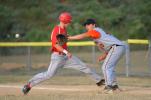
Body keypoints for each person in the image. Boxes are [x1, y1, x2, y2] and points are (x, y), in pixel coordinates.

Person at [22, 12, 104, 95]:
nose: (69, 23)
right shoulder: (57, 30)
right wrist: (66, 52)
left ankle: (99, 81)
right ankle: (29, 84)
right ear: (65, 21)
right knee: (48, 75)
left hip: (66, 57)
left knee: (84, 66)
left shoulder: (63, 29)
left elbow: (62, 40)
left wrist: (67, 38)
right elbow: (55, 44)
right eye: (69, 21)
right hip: (57, 57)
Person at [68, 18, 126, 93]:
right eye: (86, 25)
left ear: (94, 25)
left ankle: (109, 87)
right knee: (109, 67)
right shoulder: (97, 36)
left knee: (105, 67)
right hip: (119, 47)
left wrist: (70, 37)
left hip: (117, 47)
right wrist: (104, 55)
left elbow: (84, 35)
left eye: (89, 24)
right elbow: (104, 45)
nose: (87, 26)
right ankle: (115, 87)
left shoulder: (96, 30)